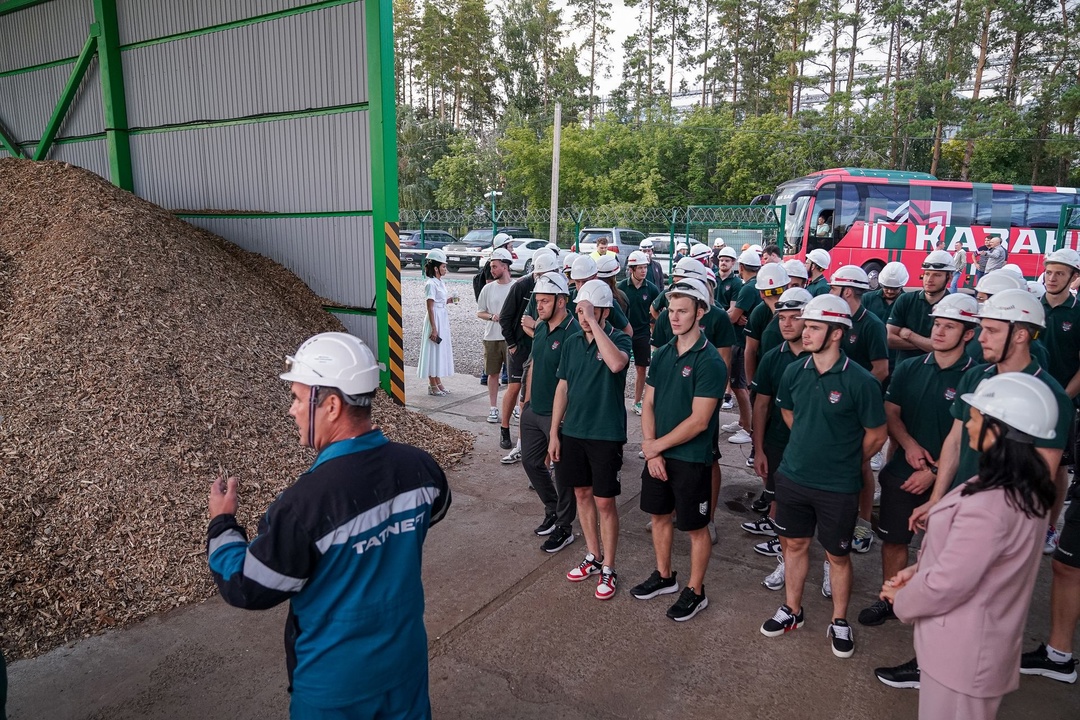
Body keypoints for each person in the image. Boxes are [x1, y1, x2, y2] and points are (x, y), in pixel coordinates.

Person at [207, 332, 450, 719]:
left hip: (335, 688)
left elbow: (246, 586)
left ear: (332, 405)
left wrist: (221, 524)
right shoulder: (420, 468)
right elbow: (433, 512)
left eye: (299, 399)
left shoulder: (304, 505)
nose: (293, 410)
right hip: (406, 669)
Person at [875, 288, 1072, 689]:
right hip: (959, 506)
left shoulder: (1049, 395)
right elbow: (954, 440)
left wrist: (1022, 535)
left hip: (994, 520)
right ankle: (927, 664)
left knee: (978, 602)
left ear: (1021, 334)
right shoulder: (976, 376)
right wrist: (937, 499)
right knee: (941, 584)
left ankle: (966, 680)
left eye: (991, 330)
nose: (980, 337)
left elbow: (1044, 475)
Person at [882, 373, 1058, 719]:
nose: (968, 425)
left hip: (962, 655)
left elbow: (949, 582)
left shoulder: (990, 506)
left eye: (976, 417)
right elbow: (976, 560)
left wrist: (902, 599)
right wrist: (917, 570)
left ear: (999, 431)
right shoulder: (1019, 486)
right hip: (973, 648)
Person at [759, 294, 887, 660]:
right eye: (806, 325)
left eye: (814, 327)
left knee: (838, 555)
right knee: (795, 546)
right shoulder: (793, 371)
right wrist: (809, 445)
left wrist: (842, 459)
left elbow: (877, 435)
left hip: (837, 485)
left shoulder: (860, 381)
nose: (804, 330)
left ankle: (840, 620)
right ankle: (792, 611)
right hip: (794, 478)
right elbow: (787, 413)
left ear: (836, 334)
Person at [857, 294, 978, 629]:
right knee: (894, 539)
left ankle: (934, 611)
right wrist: (909, 446)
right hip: (903, 473)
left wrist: (935, 472)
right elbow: (891, 413)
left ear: (968, 333)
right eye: (937, 323)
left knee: (941, 551)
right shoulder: (910, 367)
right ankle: (891, 600)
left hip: (953, 482)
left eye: (949, 326)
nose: (938, 331)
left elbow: (969, 437)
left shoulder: (977, 377)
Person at [632, 277, 727, 621]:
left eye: (682, 311)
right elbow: (649, 401)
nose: (674, 317)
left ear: (700, 312)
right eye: (671, 310)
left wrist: (655, 445)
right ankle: (665, 575)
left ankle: (696, 591)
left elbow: (700, 421)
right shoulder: (664, 352)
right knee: (659, 516)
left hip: (691, 459)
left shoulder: (710, 361)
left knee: (695, 527)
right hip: (660, 454)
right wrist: (653, 451)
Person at [549, 280, 632, 601]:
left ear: (605, 312)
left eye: (590, 311)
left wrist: (595, 325)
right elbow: (562, 388)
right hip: (573, 433)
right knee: (582, 494)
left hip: (605, 435)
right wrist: (555, 431)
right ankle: (593, 555)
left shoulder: (618, 338)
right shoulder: (571, 342)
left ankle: (609, 567)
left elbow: (616, 363)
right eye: (579, 311)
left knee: (604, 502)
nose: (583, 317)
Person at [743, 287, 813, 575]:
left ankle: (827, 568)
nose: (786, 323)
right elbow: (760, 407)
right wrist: (759, 449)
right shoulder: (773, 357)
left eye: (794, 317)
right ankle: (786, 561)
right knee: (782, 503)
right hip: (777, 443)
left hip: (814, 449)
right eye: (782, 317)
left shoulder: (822, 357)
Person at [521, 273, 579, 553]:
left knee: (564, 474)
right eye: (538, 301)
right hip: (535, 410)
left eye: (544, 301)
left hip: (560, 416)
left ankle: (565, 527)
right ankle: (553, 509)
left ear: (561, 301)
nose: (539, 306)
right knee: (532, 463)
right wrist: (527, 401)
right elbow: (533, 364)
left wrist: (560, 423)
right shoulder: (542, 328)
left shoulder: (574, 333)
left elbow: (571, 383)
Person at [1033, 248, 1080, 554]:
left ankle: (1050, 527)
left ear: (1074, 278)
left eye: (1060, 273)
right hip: (1028, 402)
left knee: (1057, 468)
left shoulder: (1077, 312)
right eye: (1049, 272)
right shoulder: (1031, 306)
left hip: (1063, 402)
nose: (1052, 278)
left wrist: (1062, 398)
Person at [724, 249, 763, 445]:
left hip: (742, 341)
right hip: (744, 340)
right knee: (740, 384)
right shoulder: (755, 285)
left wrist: (723, 313)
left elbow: (732, 316)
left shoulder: (748, 288)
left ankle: (748, 428)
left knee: (739, 386)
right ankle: (743, 421)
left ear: (740, 267)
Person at [887, 250, 953, 364]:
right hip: (904, 371)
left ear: (949, 278)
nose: (929, 280)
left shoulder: (953, 306)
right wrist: (929, 344)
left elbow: (946, 347)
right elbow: (889, 339)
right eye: (927, 274)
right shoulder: (905, 300)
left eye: (937, 275)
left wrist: (909, 335)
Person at [619, 250, 661, 415]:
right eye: (640, 268)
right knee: (620, 367)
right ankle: (617, 400)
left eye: (645, 267)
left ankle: (637, 402)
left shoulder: (651, 289)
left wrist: (654, 330)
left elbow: (658, 311)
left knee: (641, 368)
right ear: (631, 269)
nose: (644, 271)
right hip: (624, 333)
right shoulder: (621, 287)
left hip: (643, 333)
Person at [476, 248, 514, 423]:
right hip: (491, 337)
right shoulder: (487, 289)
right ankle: (493, 408)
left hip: (511, 338)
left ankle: (514, 406)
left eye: (495, 266)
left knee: (514, 375)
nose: (492, 270)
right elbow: (480, 312)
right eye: (491, 266)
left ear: (505, 267)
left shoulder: (515, 287)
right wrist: (492, 317)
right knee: (493, 374)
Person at [744, 262, 791, 387]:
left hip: (769, 384)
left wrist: (751, 385)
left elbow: (750, 350)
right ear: (786, 286)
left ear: (761, 293)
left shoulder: (761, 317)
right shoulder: (798, 312)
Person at [418, 249, 455, 395]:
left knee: (438, 350)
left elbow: (439, 302)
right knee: (432, 349)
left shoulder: (440, 282)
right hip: (435, 319)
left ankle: (437, 381)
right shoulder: (431, 284)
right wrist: (434, 328)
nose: (445, 269)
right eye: (443, 266)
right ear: (436, 268)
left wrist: (448, 301)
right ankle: (432, 383)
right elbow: (430, 307)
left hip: (442, 317)